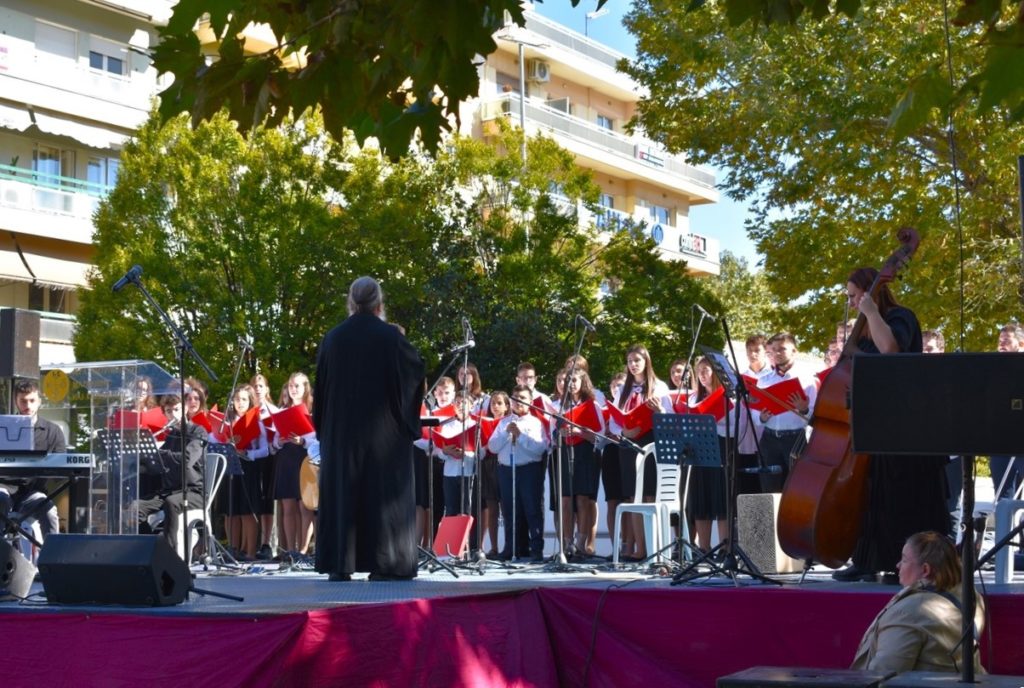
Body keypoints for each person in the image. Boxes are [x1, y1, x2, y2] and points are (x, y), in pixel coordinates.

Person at [833, 267, 950, 582]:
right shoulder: (863, 329)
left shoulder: (901, 318)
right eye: (852, 297)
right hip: (872, 424)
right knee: (873, 496)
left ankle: (913, 566)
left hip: (904, 427)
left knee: (902, 497)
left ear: (872, 292)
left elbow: (890, 350)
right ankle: (870, 560)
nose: (854, 302)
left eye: (856, 295)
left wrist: (871, 312)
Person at [314, 276, 425, 581]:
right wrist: (407, 422)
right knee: (382, 495)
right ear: (379, 303)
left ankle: (340, 563)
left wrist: (324, 430)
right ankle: (386, 563)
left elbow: (320, 388)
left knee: (343, 495)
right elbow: (414, 375)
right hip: (384, 437)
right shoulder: (391, 337)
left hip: (342, 435)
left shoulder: (333, 338)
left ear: (351, 302)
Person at [851, 531, 985, 674]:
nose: (898, 565)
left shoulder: (910, 611)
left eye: (904, 560)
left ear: (925, 570)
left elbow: (883, 675)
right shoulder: (971, 596)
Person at [0, 380, 66, 560]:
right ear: (15, 401)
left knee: (48, 509)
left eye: (31, 400)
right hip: (3, 488)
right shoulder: (1, 428)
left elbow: (62, 465)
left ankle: (55, 562)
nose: (27, 405)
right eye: (22, 401)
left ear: (39, 401)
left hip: (32, 493)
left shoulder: (53, 431)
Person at [137, 395, 207, 554]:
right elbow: (161, 467)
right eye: (169, 411)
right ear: (165, 414)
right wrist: (144, 459)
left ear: (185, 409)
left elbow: (186, 459)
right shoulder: (170, 436)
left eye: (177, 409)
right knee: (135, 508)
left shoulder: (197, 432)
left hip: (194, 491)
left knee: (171, 502)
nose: (173, 414)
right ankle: (150, 550)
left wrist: (161, 453)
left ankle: (170, 555)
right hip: (170, 490)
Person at [488, 385, 549, 562]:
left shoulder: (535, 423)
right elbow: (492, 446)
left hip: (528, 469)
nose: (517, 401)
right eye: (514, 398)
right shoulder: (503, 422)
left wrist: (520, 436)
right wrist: (506, 433)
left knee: (532, 509)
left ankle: (536, 548)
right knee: (509, 510)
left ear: (530, 402)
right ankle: (511, 547)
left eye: (522, 398)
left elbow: (539, 449)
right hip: (506, 469)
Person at [755, 333, 817, 492]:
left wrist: (803, 408)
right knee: (769, 490)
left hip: (794, 439)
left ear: (794, 351)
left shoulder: (807, 379)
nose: (777, 353)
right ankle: (771, 518)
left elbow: (816, 417)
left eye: (782, 349)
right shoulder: (764, 380)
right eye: (774, 350)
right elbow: (753, 412)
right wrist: (761, 417)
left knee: (796, 490)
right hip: (769, 439)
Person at [272, 372, 319, 558]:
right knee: (288, 506)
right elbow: (273, 443)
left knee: (305, 506)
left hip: (305, 458)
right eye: (291, 385)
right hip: (286, 458)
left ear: (305, 387)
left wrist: (303, 441)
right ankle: (290, 549)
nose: (293, 389)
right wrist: (279, 442)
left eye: (297, 386)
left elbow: (318, 439)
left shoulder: (313, 409)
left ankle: (304, 549)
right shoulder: (282, 410)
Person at [990, 325, 1022, 501]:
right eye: (1000, 341)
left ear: (1021, 343)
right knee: (1003, 499)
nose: (1002, 344)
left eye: (1007, 341)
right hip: (1000, 444)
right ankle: (1004, 529)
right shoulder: (993, 370)